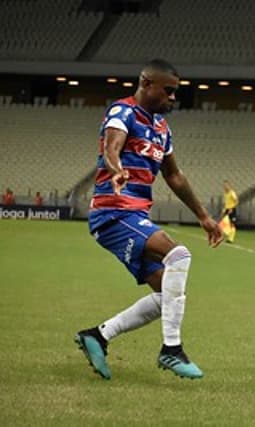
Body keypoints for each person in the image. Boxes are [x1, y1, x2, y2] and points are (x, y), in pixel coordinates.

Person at [75, 59, 223, 381]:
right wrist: (116, 171)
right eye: (167, 91)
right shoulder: (122, 112)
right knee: (179, 254)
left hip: (134, 215)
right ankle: (172, 350)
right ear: (146, 83)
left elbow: (174, 176)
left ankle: (97, 336)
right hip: (113, 212)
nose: (172, 98)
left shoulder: (162, 130)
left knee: (166, 296)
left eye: (175, 92)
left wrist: (205, 218)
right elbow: (111, 148)